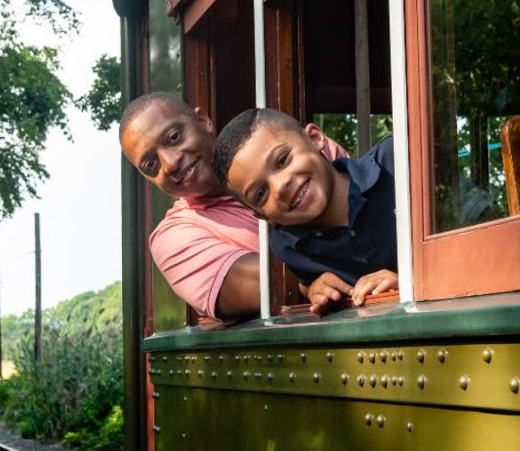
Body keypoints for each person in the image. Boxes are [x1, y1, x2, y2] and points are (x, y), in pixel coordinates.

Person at [119, 93, 347, 321]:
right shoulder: (172, 238)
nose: (170, 163)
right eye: (151, 164)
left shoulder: (289, 146)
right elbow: (267, 282)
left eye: (174, 137)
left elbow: (369, 206)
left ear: (203, 121)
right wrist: (307, 281)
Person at [212, 108, 398, 315]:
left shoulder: (395, 160)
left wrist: (409, 282)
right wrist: (313, 288)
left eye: (283, 160)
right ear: (262, 215)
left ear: (315, 138)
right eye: (261, 193)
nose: (280, 186)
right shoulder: (289, 246)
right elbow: (309, 282)